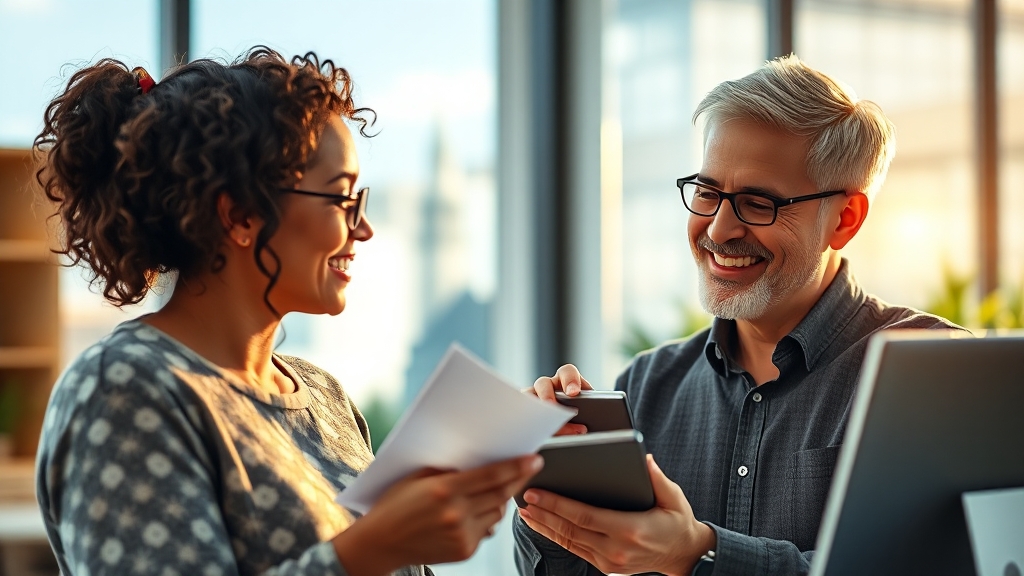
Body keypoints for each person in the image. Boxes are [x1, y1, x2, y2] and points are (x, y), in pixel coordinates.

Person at [33, 47, 542, 576]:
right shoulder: (123, 388)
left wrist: (538, 504)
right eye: (342, 198)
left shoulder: (324, 399)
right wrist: (374, 546)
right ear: (240, 215)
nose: (364, 228)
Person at [513, 55, 963, 576]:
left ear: (844, 219)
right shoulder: (648, 385)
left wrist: (697, 553)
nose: (718, 229)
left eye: (757, 202)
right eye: (707, 193)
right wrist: (547, 489)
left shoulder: (936, 372)